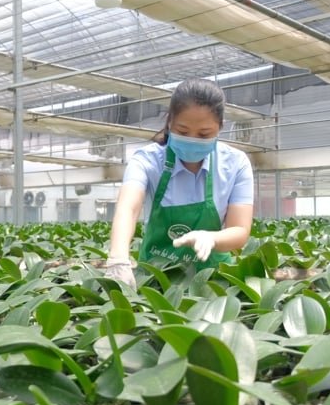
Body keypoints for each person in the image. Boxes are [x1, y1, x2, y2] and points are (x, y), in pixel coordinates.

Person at [104, 79, 255, 290]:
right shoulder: (147, 160)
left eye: (204, 134)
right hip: (155, 278)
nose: (192, 139)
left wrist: (211, 238)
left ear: (220, 127)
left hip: (212, 281)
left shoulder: (235, 163)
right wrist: (119, 257)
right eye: (183, 132)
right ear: (170, 123)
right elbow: (128, 208)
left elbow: (239, 229)